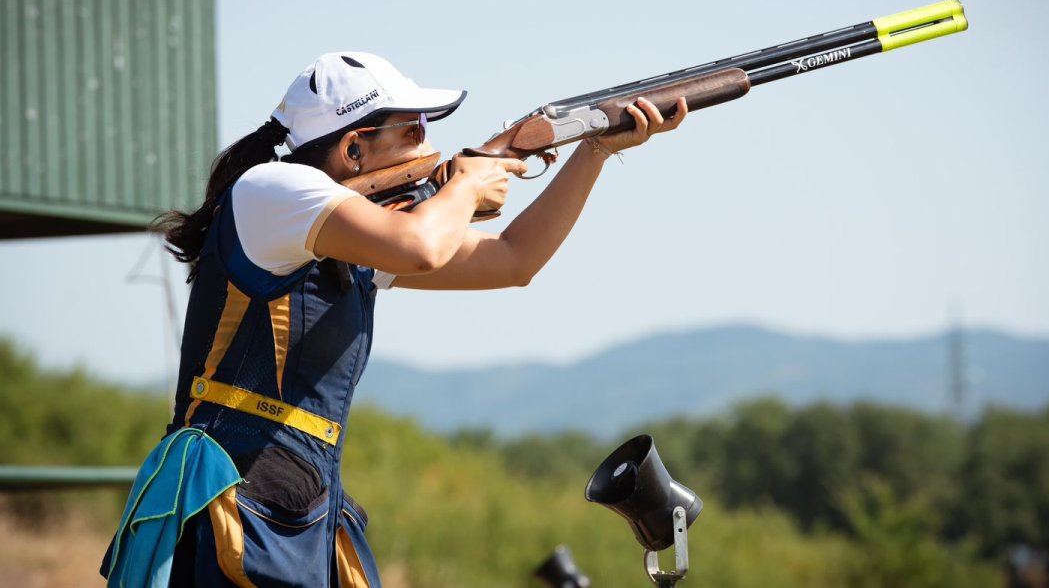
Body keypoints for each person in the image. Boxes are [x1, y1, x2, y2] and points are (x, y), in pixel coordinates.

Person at [101, 51, 687, 587]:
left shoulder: (356, 236)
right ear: (354, 148)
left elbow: (514, 260)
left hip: (297, 510)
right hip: (234, 505)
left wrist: (595, 149)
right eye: (412, 131)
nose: (427, 146)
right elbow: (421, 247)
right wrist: (463, 185)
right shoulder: (273, 189)